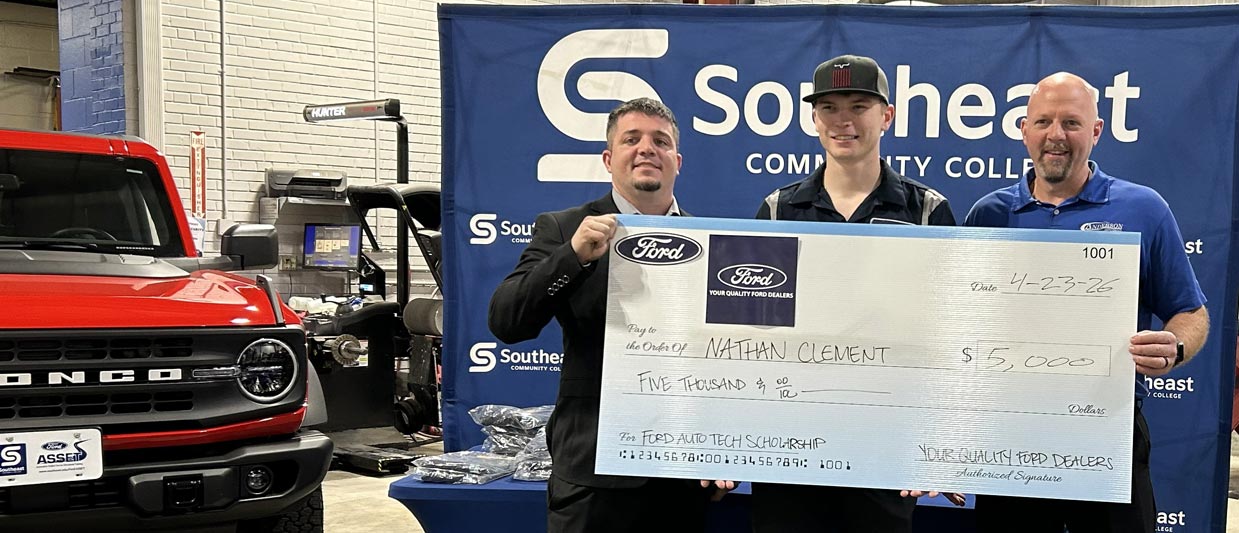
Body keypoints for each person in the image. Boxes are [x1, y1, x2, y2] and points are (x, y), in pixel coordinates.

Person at [964, 71, 1210, 533]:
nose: (1056, 136)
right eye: (1043, 122)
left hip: (1108, 434)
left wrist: (1174, 346)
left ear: (1096, 131)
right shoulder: (988, 215)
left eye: (1072, 123)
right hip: (1010, 438)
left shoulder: (1144, 209)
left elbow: (1191, 311)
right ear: (1024, 131)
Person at [744, 54, 960, 533]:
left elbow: (949, 335)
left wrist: (940, 440)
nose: (843, 120)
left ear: (886, 116)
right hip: (790, 446)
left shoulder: (926, 211)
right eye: (829, 107)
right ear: (814, 119)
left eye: (859, 106)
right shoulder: (779, 210)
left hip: (884, 444)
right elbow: (749, 331)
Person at [488, 97, 713, 533]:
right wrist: (571, 256)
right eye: (632, 139)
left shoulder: (711, 240)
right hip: (593, 474)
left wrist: (725, 450)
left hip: (683, 474)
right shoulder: (563, 228)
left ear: (677, 161)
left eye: (660, 141)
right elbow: (506, 321)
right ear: (610, 159)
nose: (647, 148)